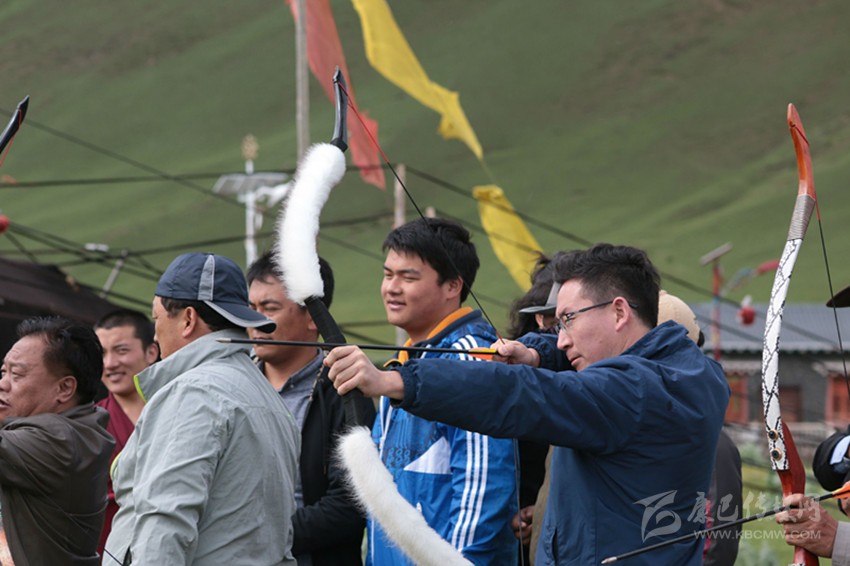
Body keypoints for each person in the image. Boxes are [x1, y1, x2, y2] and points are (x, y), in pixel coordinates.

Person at [327, 243, 730, 565]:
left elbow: (517, 394)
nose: (562, 338)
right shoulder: (688, 373)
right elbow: (598, 359)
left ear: (620, 311)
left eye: (568, 319)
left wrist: (395, 381)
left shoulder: (629, 393)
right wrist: (538, 353)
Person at [104, 252, 300, 565]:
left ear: (188, 319)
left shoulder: (193, 392)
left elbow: (165, 519)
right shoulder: (268, 396)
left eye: (157, 318)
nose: (155, 333)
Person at [357, 217, 517, 564]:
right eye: (388, 274)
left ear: (452, 286)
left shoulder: (472, 360)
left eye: (408, 277)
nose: (391, 288)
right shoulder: (398, 367)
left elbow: (484, 487)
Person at [247, 250, 374, 566]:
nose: (255, 321)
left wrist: (259, 537)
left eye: (270, 308)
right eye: (251, 308)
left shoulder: (344, 391)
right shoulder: (236, 385)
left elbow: (350, 503)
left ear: (313, 318)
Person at [0, 317, 115, 564]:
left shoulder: (58, 440)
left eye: (16, 374)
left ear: (64, 388)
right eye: (3, 372)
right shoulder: (79, 428)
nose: (3, 384)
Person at [93, 308, 159, 555]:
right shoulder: (90, 423)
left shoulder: (176, 410)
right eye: (102, 353)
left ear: (151, 352)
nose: (110, 363)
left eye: (121, 350)